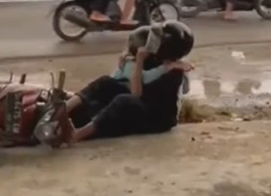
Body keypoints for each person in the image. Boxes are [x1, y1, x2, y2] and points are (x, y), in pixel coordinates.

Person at [63, 21, 194, 144]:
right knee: (106, 82)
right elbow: (121, 80)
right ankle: (62, 109)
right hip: (141, 104)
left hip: (156, 120)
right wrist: (127, 61)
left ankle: (77, 135)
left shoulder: (174, 72)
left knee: (124, 101)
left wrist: (139, 62)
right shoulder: (158, 61)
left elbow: (136, 93)